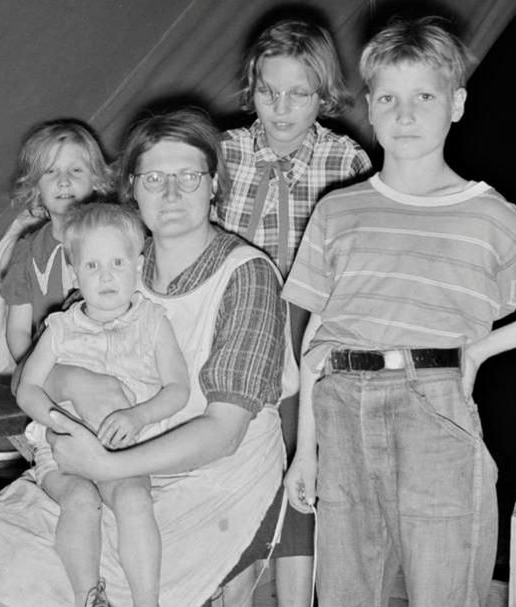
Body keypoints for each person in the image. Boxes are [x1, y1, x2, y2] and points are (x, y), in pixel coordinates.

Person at [0, 108, 298, 607]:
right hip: (107, 457)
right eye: (153, 178)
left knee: (77, 570)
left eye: (188, 175)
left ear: (214, 186)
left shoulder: (245, 274)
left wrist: (108, 461)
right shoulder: (119, 274)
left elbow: (224, 433)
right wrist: (71, 382)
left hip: (209, 480)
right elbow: (48, 366)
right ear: (132, 189)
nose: (170, 193)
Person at [282, 17, 516, 607]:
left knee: (442, 589)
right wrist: (304, 453)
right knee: (345, 593)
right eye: (388, 97)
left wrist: (480, 350)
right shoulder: (338, 210)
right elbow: (315, 339)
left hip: (435, 411)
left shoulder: (489, 215)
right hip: (341, 412)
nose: (406, 114)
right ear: (369, 106)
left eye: (425, 96)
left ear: (457, 104)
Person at [214, 19, 372, 606]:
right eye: (266, 92)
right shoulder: (223, 152)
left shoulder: (345, 159)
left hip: (307, 339)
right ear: (250, 88)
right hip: (230, 333)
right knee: (229, 468)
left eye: (298, 94)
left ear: (323, 94)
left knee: (298, 468)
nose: (280, 109)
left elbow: (356, 262)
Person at [17, 202, 190, 607]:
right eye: (92, 266)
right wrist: (60, 423)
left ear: (138, 265)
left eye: (117, 262)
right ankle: (88, 597)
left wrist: (139, 414)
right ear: (75, 274)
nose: (107, 275)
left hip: (124, 452)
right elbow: (28, 390)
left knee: (134, 499)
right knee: (80, 501)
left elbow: (177, 388)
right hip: (63, 453)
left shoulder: (152, 322)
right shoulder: (61, 328)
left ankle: (148, 602)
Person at [0, 119, 114, 370]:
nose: (63, 180)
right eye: (50, 171)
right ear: (35, 186)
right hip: (49, 371)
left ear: (96, 179)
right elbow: (18, 330)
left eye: (76, 170)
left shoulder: (116, 240)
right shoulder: (27, 252)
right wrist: (36, 371)